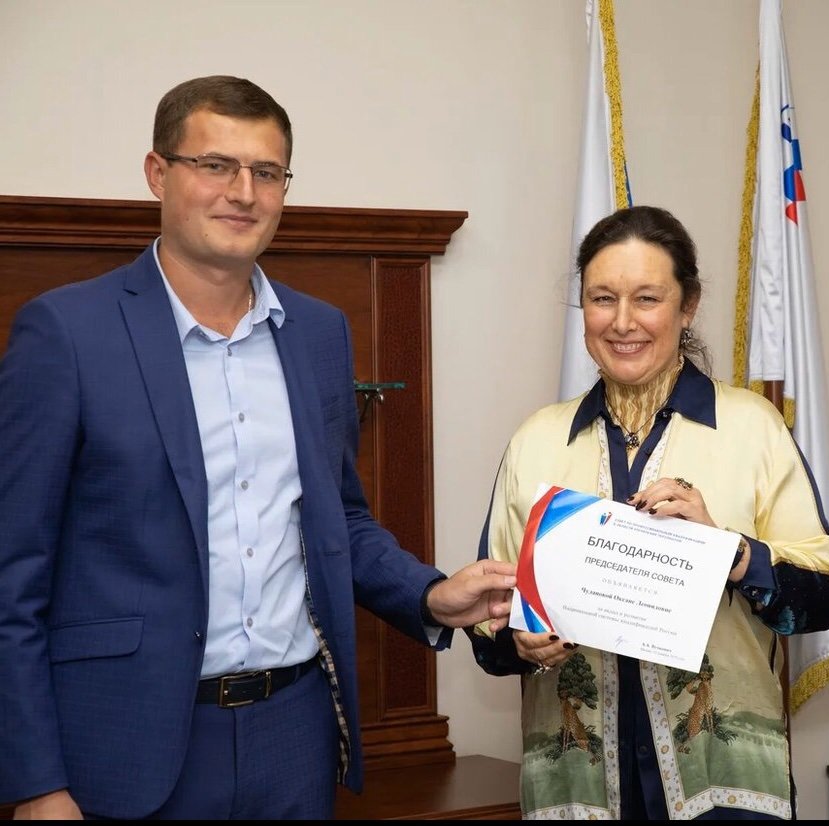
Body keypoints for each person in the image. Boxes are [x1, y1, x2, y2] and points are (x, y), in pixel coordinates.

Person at [0, 75, 517, 821]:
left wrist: (432, 595)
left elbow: (338, 520)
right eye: (216, 165)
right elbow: (13, 573)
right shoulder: (67, 333)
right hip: (126, 749)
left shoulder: (319, 333)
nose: (243, 192)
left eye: (267, 172)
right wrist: (36, 783)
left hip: (294, 738)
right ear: (157, 173)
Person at [469, 205, 829, 820]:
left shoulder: (751, 428)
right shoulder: (536, 441)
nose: (623, 322)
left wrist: (729, 553)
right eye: (602, 299)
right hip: (577, 793)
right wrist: (518, 639)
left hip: (724, 791)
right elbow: (489, 620)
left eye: (647, 298)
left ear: (688, 305)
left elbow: (828, 594)